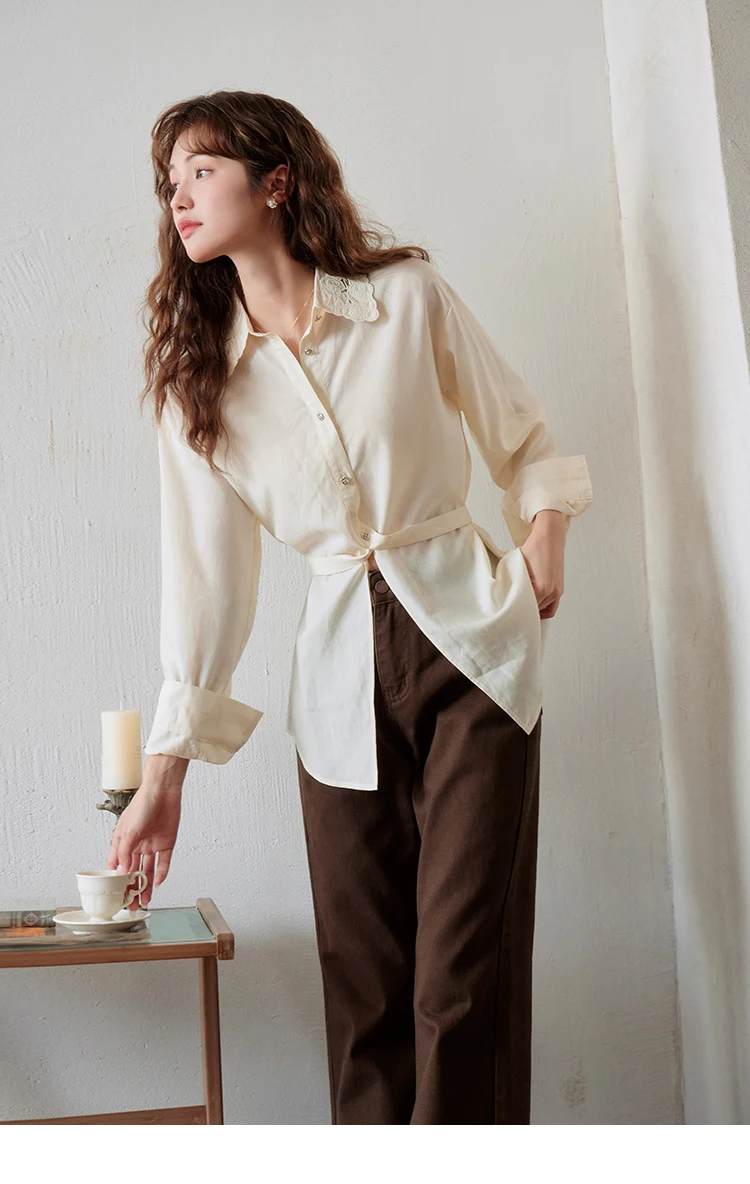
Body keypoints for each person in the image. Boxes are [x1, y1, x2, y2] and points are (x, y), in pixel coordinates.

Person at [107, 89, 593, 1124]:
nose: (178, 197)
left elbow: (525, 439)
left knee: (461, 978)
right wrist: (164, 778)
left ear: (275, 182)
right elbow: (207, 585)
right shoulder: (201, 384)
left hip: (473, 647)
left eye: (201, 171)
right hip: (337, 677)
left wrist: (544, 529)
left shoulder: (406, 299)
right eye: (169, 182)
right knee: (363, 983)